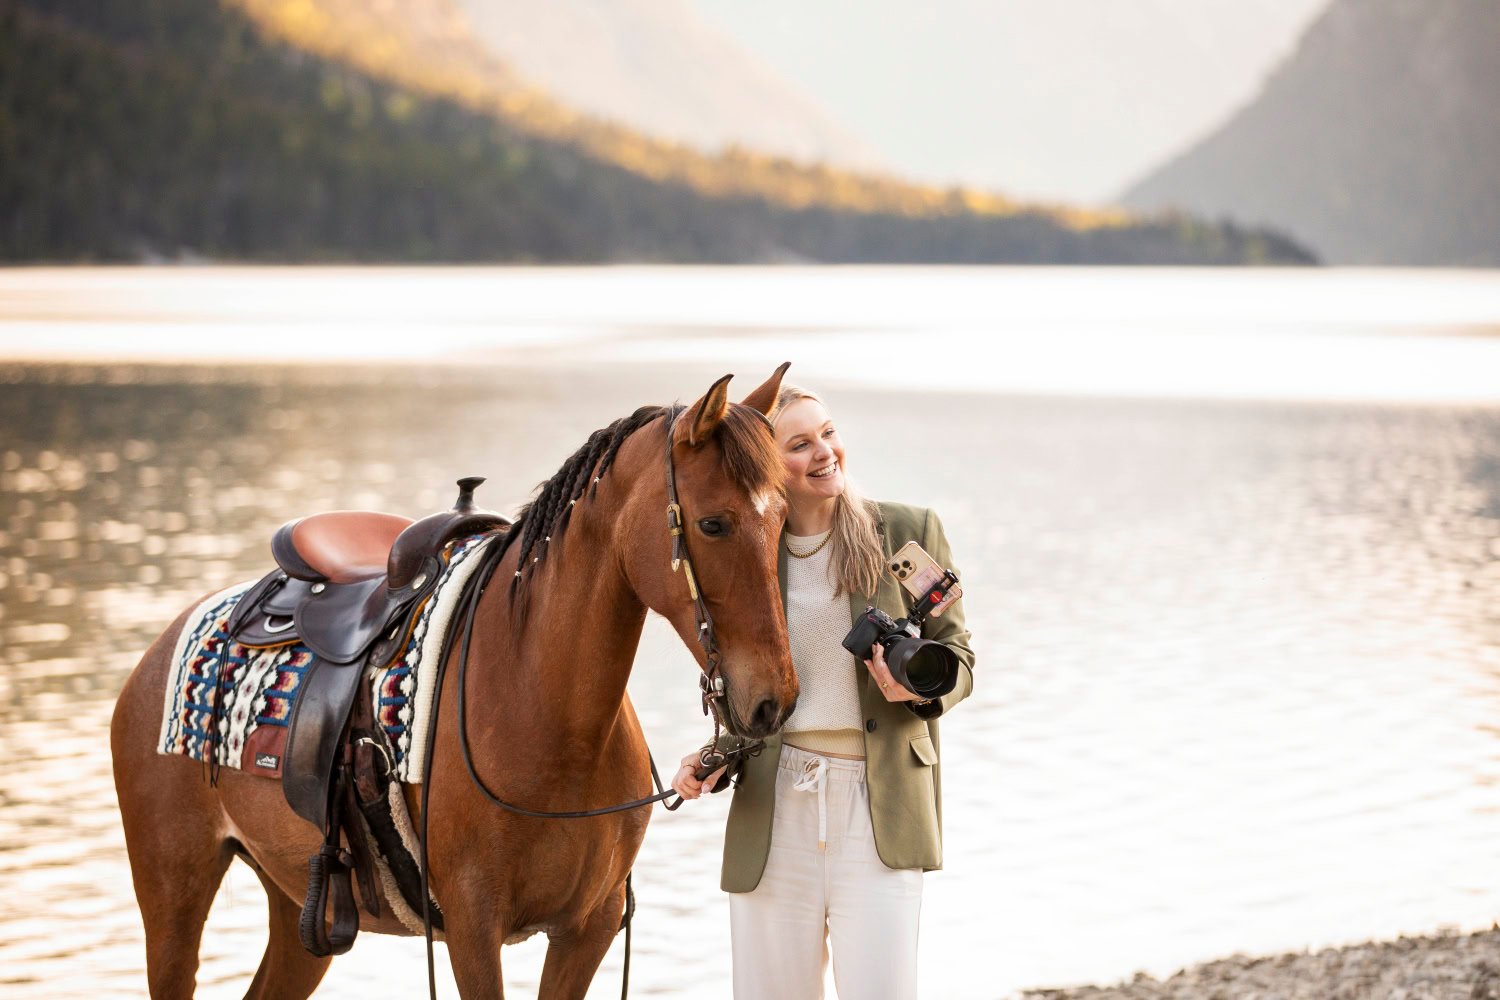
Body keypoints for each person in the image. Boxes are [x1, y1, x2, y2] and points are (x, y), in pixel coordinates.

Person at [672, 381, 976, 1000]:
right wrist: (713, 755)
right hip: (776, 801)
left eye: (829, 433)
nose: (824, 452)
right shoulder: (750, 553)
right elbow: (753, 689)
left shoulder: (906, 534)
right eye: (801, 444)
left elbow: (962, 658)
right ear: (766, 463)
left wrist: (914, 692)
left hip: (880, 803)